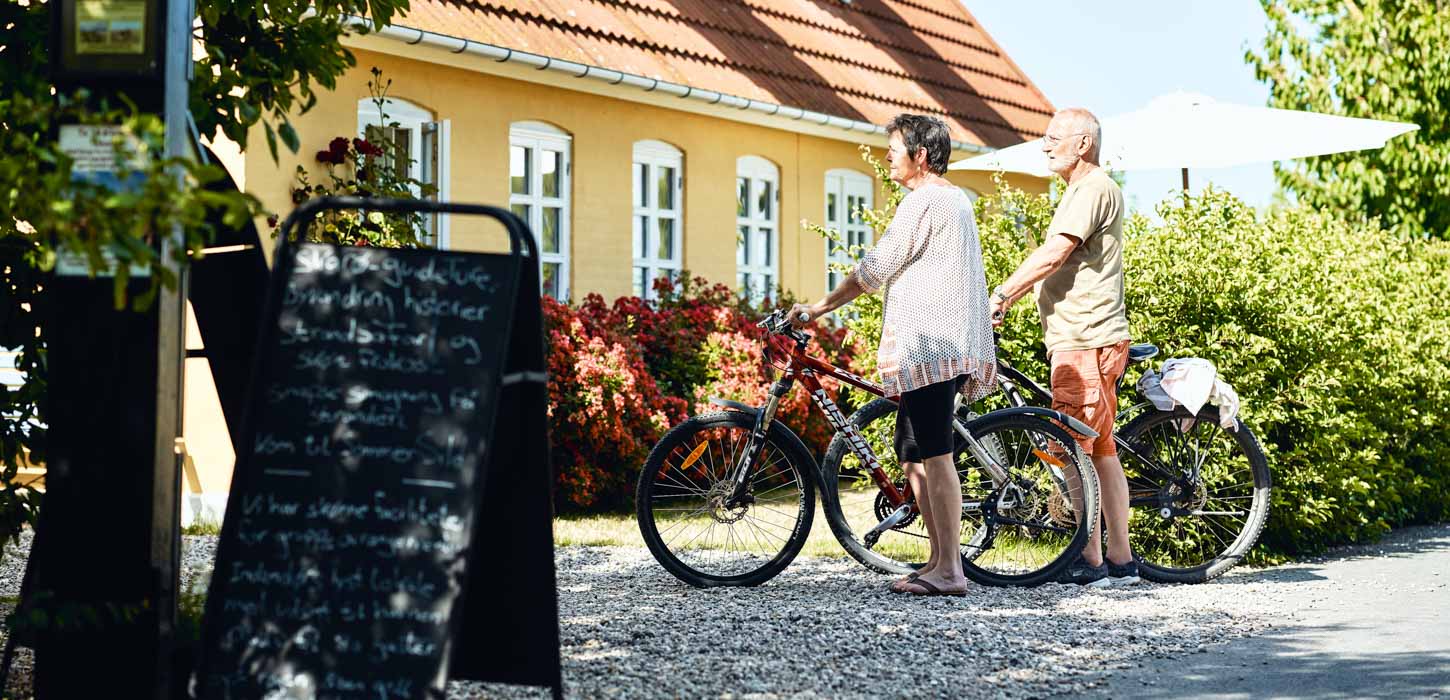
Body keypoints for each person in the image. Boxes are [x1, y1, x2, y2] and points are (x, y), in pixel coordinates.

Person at [791, 114, 995, 597]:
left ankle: (951, 571)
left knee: (937, 455)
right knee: (914, 455)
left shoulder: (924, 201)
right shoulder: (953, 201)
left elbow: (875, 268)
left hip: (930, 346)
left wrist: (818, 309)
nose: (887, 157)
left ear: (920, 155)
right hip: (938, 345)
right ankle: (937, 560)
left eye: (894, 149)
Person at [988, 107, 1140, 587]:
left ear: (1083, 144)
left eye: (1055, 137)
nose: (1045, 144)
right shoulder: (1085, 189)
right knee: (1100, 450)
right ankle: (1120, 557)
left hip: (1084, 341)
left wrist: (1002, 292)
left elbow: (1055, 252)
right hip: (1090, 338)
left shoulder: (1092, 188)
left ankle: (1089, 559)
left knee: (1070, 447)